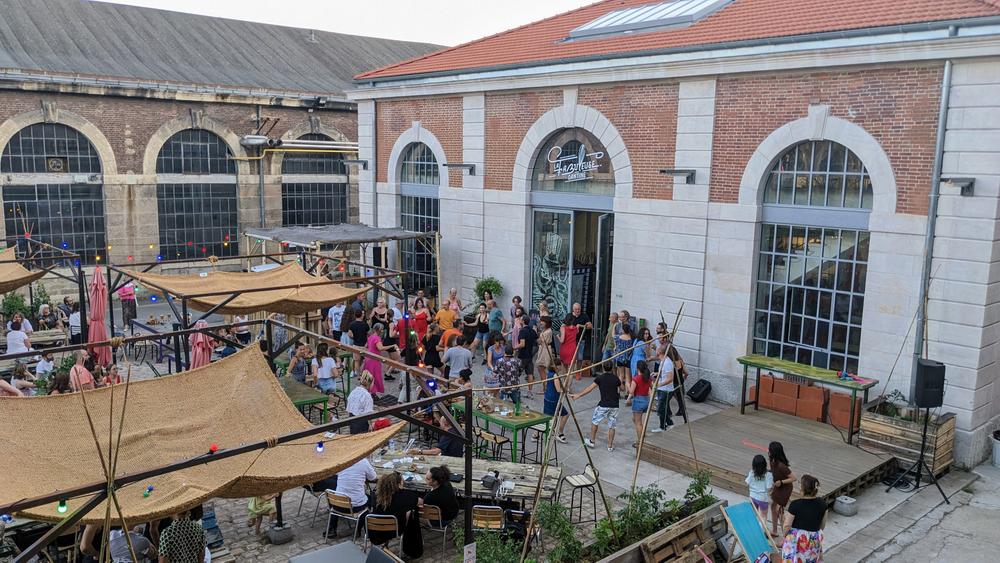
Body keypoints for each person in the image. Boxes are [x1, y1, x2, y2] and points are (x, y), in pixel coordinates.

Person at [573, 368, 621, 452]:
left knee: (595, 421)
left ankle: (592, 441)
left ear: (603, 367)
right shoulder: (616, 378)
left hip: (603, 405)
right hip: (614, 405)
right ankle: (610, 446)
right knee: (612, 425)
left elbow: (589, 388)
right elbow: (623, 388)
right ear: (612, 368)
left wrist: (578, 395)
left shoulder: (600, 378)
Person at [781, 475, 827, 562]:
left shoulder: (795, 505)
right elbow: (822, 526)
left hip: (797, 540)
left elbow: (787, 526)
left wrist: (784, 536)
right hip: (814, 539)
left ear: (803, 489)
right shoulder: (823, 504)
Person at [368, 472, 420, 547]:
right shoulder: (407, 496)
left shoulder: (376, 495)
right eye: (402, 481)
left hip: (375, 530)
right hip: (394, 530)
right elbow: (420, 501)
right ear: (399, 484)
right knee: (411, 512)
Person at [331, 457, 376, 538]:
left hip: (336, 504)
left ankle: (331, 529)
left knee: (340, 497)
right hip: (354, 507)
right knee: (371, 500)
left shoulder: (343, 460)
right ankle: (359, 530)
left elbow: (336, 473)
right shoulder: (363, 462)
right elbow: (373, 477)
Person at [80, 524, 155, 563]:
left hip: (108, 556)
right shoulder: (94, 520)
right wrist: (97, 554)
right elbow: (84, 547)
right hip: (97, 559)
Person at [769, 441, 796, 537]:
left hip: (785, 488)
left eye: (770, 450)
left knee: (779, 510)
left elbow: (793, 478)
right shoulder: (772, 462)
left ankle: (785, 536)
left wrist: (781, 482)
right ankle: (774, 531)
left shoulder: (782, 466)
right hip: (778, 486)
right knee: (773, 506)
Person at [626, 360, 653, 448]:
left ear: (637, 368)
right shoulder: (648, 378)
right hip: (646, 400)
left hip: (638, 400)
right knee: (635, 419)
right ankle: (642, 435)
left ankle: (640, 441)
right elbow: (651, 388)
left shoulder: (636, 378)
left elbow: (631, 391)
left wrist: (627, 384)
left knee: (638, 423)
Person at [364, 324, 395, 395]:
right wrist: (392, 346)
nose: (382, 331)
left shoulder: (370, 336)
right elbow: (380, 348)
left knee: (369, 376)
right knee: (375, 376)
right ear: (379, 330)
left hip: (368, 358)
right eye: (382, 329)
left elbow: (366, 346)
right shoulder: (377, 338)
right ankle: (373, 392)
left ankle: (369, 391)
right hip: (374, 360)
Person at [652, 344, 675, 433]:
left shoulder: (667, 363)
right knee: (662, 408)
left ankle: (667, 424)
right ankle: (664, 425)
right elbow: (664, 374)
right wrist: (656, 374)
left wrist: (659, 384)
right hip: (662, 389)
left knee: (661, 409)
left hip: (666, 390)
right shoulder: (663, 360)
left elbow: (670, 378)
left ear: (660, 351)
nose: (656, 349)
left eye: (657, 348)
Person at [542, 369, 569, 443]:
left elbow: (547, 385)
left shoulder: (549, 373)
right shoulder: (555, 375)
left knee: (548, 417)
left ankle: (536, 434)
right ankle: (560, 433)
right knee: (565, 415)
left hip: (548, 398)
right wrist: (565, 390)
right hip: (553, 400)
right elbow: (558, 389)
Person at [533, 317, 557, 399]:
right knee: (541, 367)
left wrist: (537, 333)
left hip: (545, 350)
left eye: (542, 322)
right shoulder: (545, 330)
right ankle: (545, 387)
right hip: (543, 349)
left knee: (542, 367)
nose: (541, 323)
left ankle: (546, 387)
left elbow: (539, 341)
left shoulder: (547, 331)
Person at [746, 454, 773, 522]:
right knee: (763, 516)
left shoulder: (752, 472)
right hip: (762, 498)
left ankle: (753, 529)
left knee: (753, 514)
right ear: (765, 464)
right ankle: (761, 531)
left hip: (752, 496)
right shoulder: (768, 475)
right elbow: (769, 487)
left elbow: (747, 482)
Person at [665, 346, 688, 423]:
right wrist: (683, 378)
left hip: (673, 384)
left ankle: (668, 414)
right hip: (680, 383)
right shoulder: (680, 362)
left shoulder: (670, 363)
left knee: (666, 400)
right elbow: (686, 373)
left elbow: (669, 375)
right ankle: (685, 419)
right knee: (681, 401)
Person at [514, 310, 536, 386]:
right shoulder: (532, 330)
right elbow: (538, 341)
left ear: (523, 321)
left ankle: (514, 388)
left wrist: (514, 347)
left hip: (523, 355)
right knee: (530, 374)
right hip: (530, 354)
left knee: (516, 373)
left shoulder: (523, 331)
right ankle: (530, 392)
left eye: (521, 319)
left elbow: (522, 344)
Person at [347, 309, 370, 377]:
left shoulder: (352, 324)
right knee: (366, 360)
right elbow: (369, 334)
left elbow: (349, 334)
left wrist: (354, 337)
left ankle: (358, 375)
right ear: (361, 315)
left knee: (356, 361)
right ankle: (363, 373)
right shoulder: (365, 324)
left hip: (356, 345)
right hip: (364, 345)